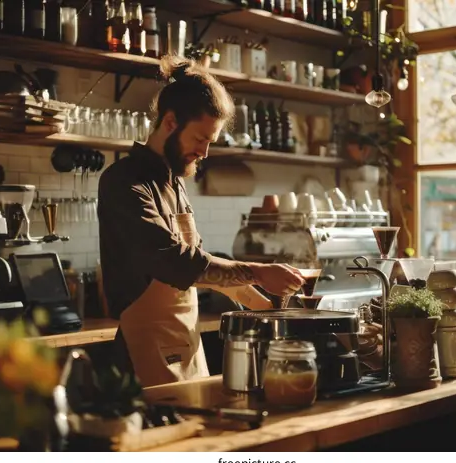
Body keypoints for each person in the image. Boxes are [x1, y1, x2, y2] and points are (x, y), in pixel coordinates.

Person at [97, 55, 305, 388]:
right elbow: (175, 262)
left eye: (210, 143)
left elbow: (205, 271)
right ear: (169, 122)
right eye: (199, 140)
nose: (204, 153)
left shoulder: (175, 184)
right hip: (142, 357)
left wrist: (271, 309)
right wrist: (259, 270)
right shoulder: (124, 181)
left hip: (188, 350)